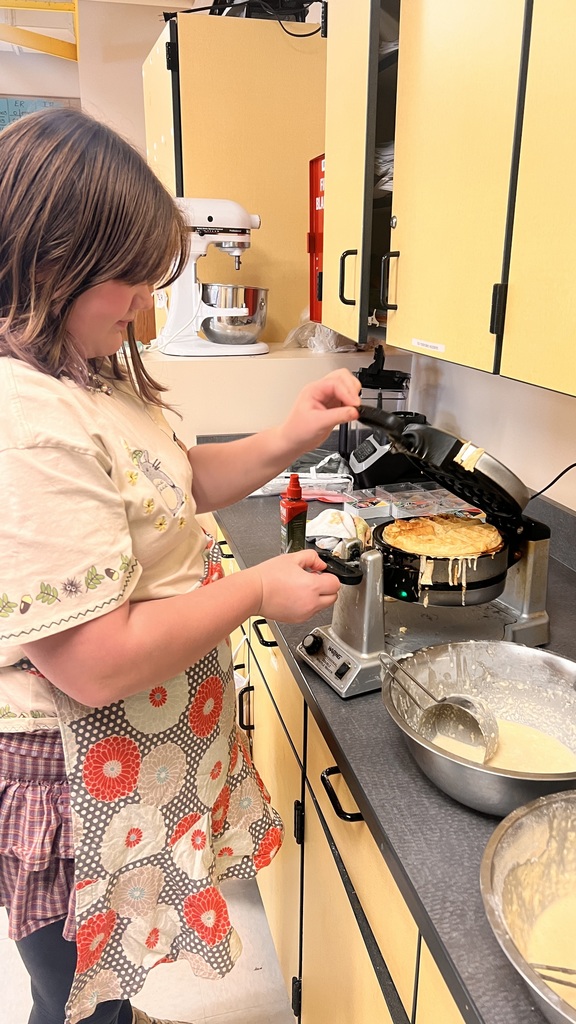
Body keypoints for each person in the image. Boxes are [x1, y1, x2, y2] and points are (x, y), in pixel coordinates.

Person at [0, 107, 361, 1024]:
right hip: (70, 771)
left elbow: (179, 481)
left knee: (106, 973)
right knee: (73, 996)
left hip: (126, 753)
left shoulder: (89, 375)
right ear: (48, 261)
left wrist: (288, 433)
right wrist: (255, 589)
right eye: (126, 277)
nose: (141, 303)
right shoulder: (24, 423)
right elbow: (94, 660)